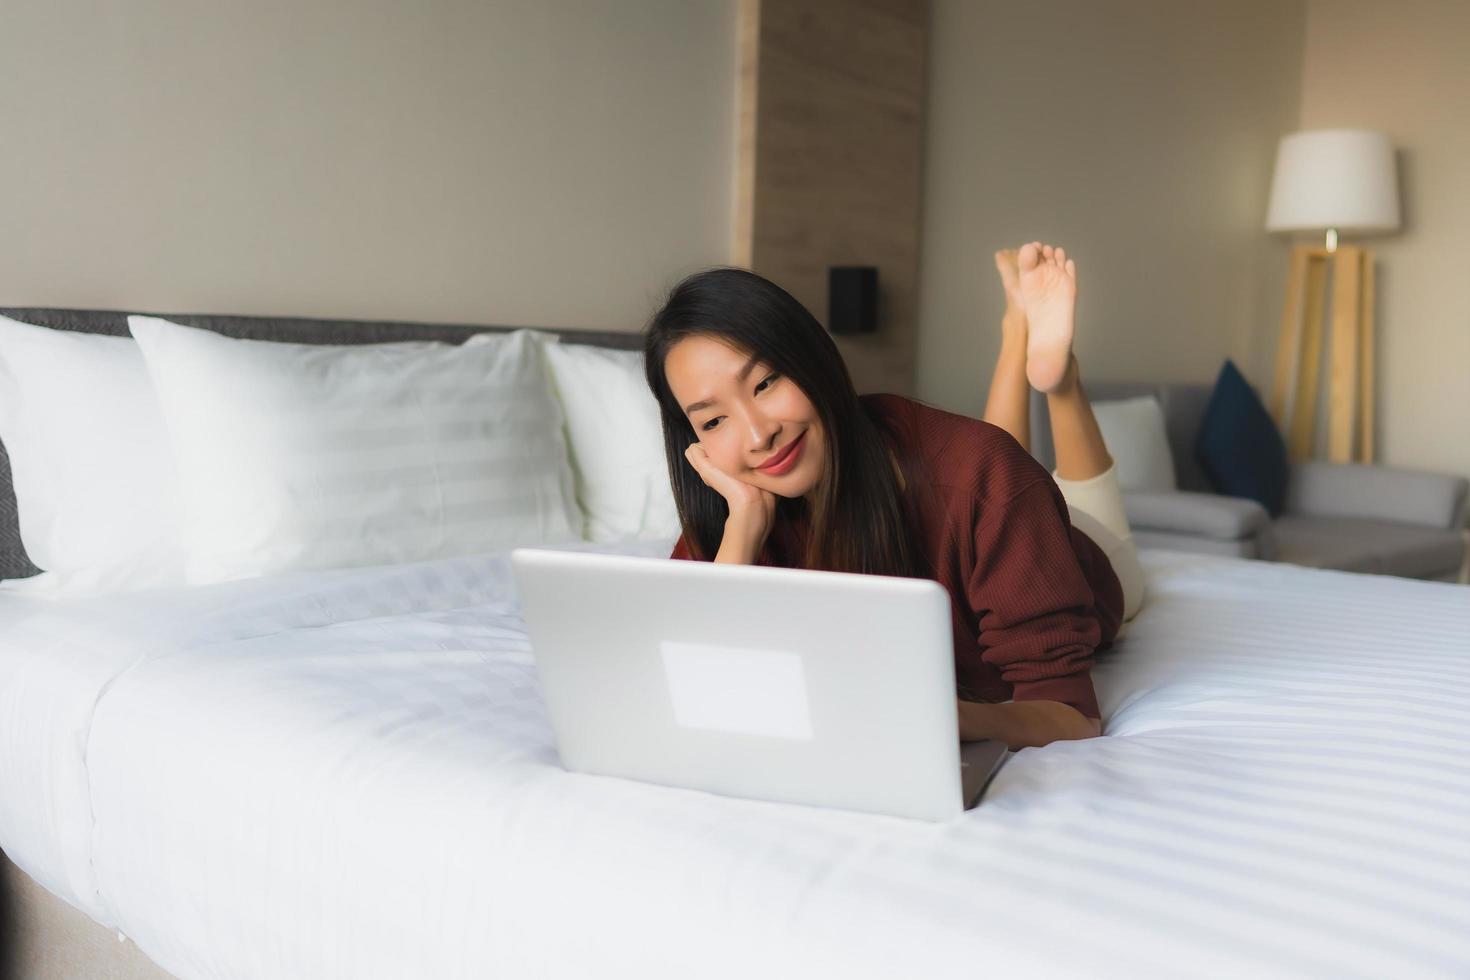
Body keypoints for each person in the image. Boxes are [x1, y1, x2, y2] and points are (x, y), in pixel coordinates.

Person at [642, 243, 1145, 751]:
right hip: (984, 500)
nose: (756, 435)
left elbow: (1073, 718)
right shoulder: (737, 506)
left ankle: (1055, 375)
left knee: (1000, 469)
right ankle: (1017, 327)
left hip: (1083, 562)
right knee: (986, 466)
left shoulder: (988, 478)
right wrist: (742, 537)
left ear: (814, 358)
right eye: (712, 420)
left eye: (766, 382)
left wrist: (943, 719)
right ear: (693, 442)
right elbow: (694, 681)